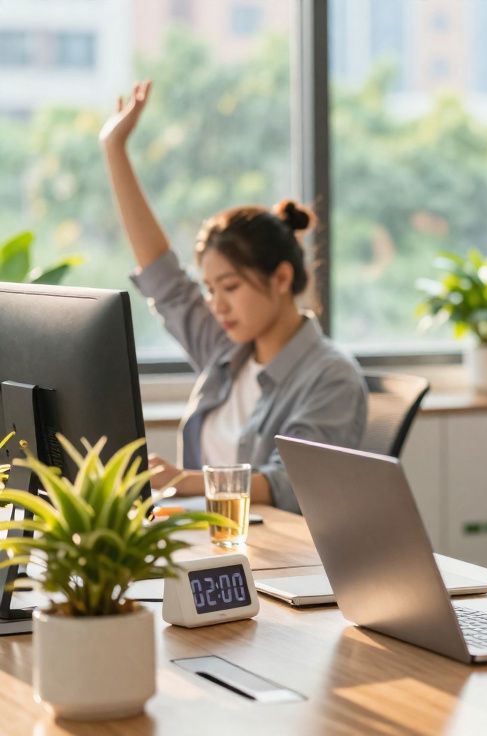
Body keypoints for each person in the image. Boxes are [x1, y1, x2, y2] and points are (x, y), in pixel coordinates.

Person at [100, 81, 367, 513]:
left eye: (230, 287)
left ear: (281, 278)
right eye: (209, 289)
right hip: (207, 542)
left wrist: (186, 482)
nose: (216, 305)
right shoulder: (227, 348)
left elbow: (293, 483)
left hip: (276, 556)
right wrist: (114, 148)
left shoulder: (331, 376)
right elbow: (162, 275)